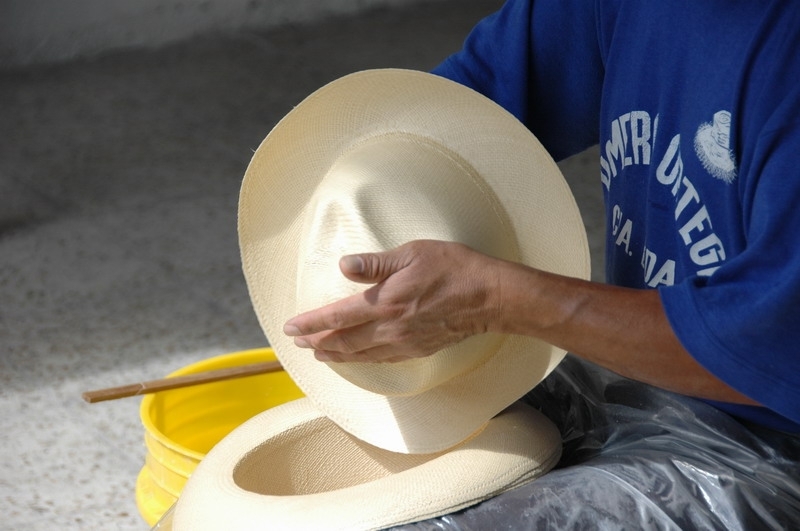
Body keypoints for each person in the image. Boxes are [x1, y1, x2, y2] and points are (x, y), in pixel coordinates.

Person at [282, 0, 800, 527]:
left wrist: (496, 299)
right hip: (652, 379)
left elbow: (769, 353)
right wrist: (362, 201)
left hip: (775, 443)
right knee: (336, 480)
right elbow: (456, 114)